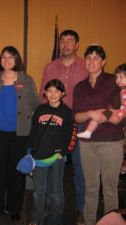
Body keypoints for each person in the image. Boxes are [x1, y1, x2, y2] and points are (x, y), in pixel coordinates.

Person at [0, 46, 40, 221]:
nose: (7, 60)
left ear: (17, 59)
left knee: (16, 172)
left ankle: (15, 208)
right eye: (4, 57)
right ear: (0, 60)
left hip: (20, 133)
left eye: (11, 57)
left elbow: (35, 104)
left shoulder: (26, 79)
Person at [39, 29, 87, 224]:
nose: (65, 44)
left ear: (77, 45)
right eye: (62, 41)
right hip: (54, 127)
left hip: (79, 125)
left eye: (70, 41)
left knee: (80, 169)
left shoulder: (86, 67)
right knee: (52, 167)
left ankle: (82, 209)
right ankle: (50, 203)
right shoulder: (50, 67)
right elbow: (44, 96)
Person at [73, 45, 124, 225]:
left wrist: (105, 116)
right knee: (91, 188)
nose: (91, 61)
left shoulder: (114, 81)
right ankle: (89, 222)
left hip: (111, 142)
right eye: (88, 58)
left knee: (109, 190)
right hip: (87, 144)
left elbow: (121, 109)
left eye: (96, 58)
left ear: (103, 62)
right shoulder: (80, 86)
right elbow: (76, 116)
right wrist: (91, 114)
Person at [28, 79, 75, 225]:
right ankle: (37, 219)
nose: (53, 94)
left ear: (62, 93)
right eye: (49, 91)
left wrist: (65, 152)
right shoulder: (40, 110)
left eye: (56, 91)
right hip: (39, 157)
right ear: (45, 93)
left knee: (56, 192)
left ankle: (56, 221)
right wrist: (30, 152)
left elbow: (71, 135)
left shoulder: (67, 112)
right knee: (38, 192)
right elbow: (33, 132)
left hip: (57, 157)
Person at [77, 63, 126, 138]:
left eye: (121, 77)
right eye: (117, 77)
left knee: (100, 114)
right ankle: (88, 132)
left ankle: (88, 132)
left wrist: (119, 114)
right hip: (118, 112)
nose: (117, 80)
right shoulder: (120, 90)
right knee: (99, 113)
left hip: (120, 114)